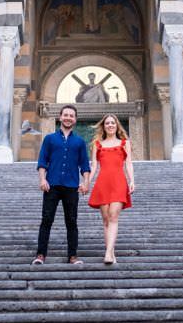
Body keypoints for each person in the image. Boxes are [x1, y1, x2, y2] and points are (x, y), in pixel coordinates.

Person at [34, 104, 91, 265]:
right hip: (51, 185)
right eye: (65, 115)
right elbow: (42, 161)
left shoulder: (80, 142)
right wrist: (42, 179)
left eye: (71, 115)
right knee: (46, 220)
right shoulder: (50, 139)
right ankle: (40, 255)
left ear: (75, 119)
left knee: (71, 221)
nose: (68, 118)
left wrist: (86, 183)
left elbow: (85, 165)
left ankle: (72, 256)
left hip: (71, 187)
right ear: (60, 117)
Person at [88, 113, 135, 265]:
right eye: (107, 123)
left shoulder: (124, 143)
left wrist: (132, 180)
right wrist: (87, 181)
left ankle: (108, 253)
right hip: (103, 183)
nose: (110, 125)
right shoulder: (97, 144)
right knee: (106, 219)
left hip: (119, 182)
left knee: (114, 216)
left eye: (112, 123)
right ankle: (111, 251)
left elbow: (128, 163)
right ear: (103, 126)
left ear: (117, 125)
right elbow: (94, 166)